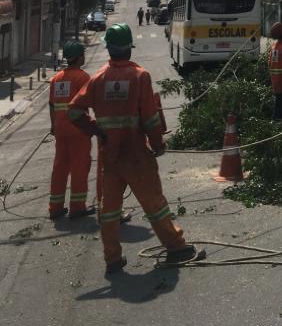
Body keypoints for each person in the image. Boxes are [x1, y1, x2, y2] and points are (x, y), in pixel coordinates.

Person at [67, 23, 195, 274]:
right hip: (136, 154)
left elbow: (73, 111)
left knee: (109, 209)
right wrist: (157, 144)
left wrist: (96, 129)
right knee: (154, 204)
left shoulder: (98, 78)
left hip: (110, 155)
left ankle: (112, 259)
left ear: (108, 49)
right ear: (129, 48)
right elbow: (150, 118)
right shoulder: (140, 76)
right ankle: (175, 246)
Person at [48, 40, 94, 220]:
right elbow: (91, 101)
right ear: (80, 57)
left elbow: (52, 105)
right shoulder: (82, 77)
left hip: (60, 129)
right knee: (79, 167)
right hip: (78, 129)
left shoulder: (56, 78)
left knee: (60, 167)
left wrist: (53, 125)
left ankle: (55, 207)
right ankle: (77, 207)